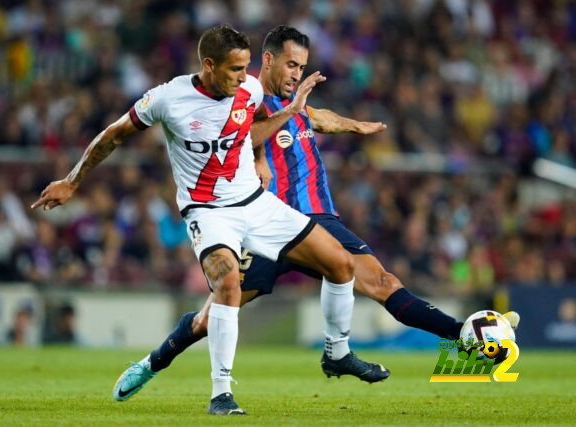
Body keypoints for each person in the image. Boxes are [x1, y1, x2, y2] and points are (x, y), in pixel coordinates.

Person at [109, 25, 522, 401]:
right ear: (266, 60)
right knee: (211, 314)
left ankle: (462, 335)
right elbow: (232, 137)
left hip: (314, 221)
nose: (295, 73)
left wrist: (354, 125)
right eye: (290, 64)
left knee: (380, 282)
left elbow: (318, 118)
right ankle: (150, 364)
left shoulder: (296, 104)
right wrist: (258, 160)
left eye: (302, 66)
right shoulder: (244, 98)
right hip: (265, 221)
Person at [31, 24, 386, 415]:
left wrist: (281, 127)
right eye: (235, 69)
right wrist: (71, 180)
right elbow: (113, 135)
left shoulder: (249, 90)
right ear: (209, 65)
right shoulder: (168, 98)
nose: (244, 77)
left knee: (340, 262)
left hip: (254, 202)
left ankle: (337, 353)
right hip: (208, 212)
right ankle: (221, 394)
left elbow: (252, 133)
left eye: (246, 67)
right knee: (228, 285)